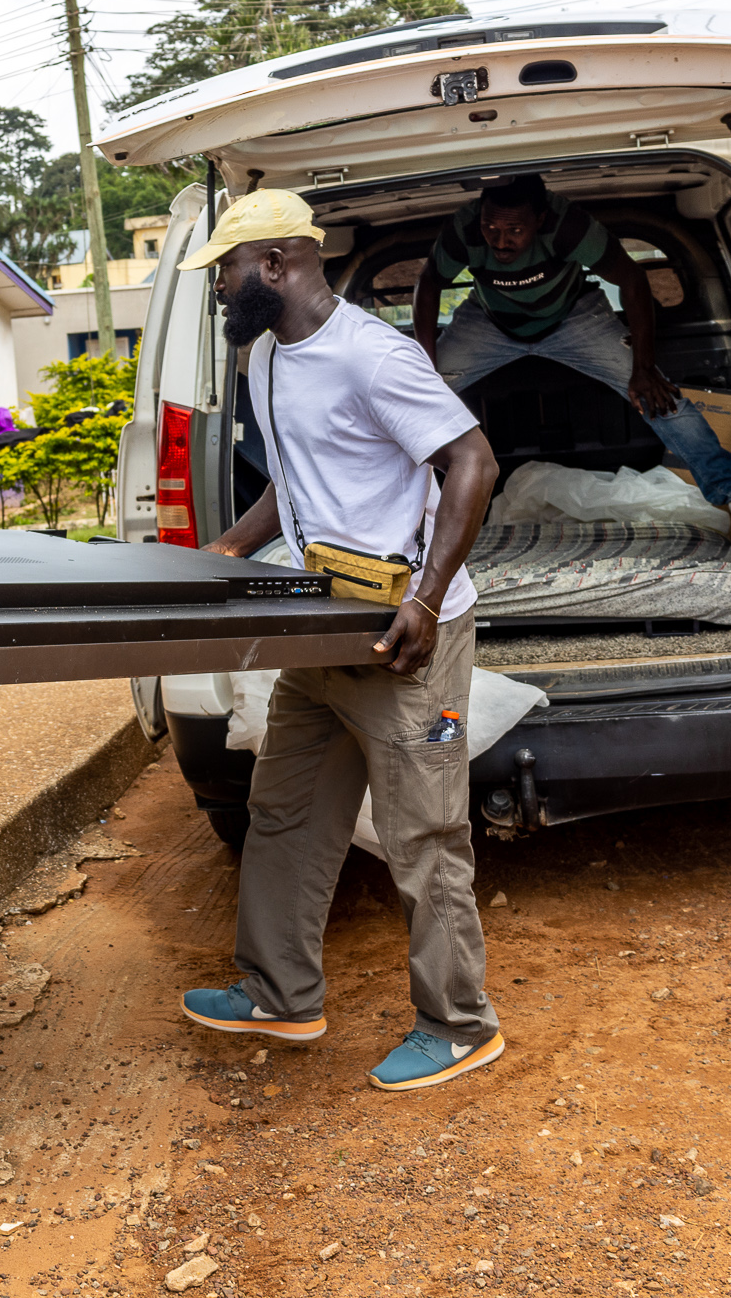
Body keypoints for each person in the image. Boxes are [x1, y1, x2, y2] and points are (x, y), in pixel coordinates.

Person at [177, 188, 506, 1093]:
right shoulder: (269, 360)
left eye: (227, 272)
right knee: (281, 811)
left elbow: (471, 461)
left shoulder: (372, 355)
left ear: (277, 265)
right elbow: (299, 473)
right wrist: (234, 548)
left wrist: (430, 599)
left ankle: (459, 1022)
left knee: (425, 832)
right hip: (326, 618)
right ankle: (280, 991)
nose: (220, 290)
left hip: (405, 632)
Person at [412, 172, 731, 544]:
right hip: (489, 321)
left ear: (540, 220)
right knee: (413, 398)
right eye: (491, 229)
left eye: (515, 231)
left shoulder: (569, 227)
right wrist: (426, 365)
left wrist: (643, 367)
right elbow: (429, 283)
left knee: (660, 398)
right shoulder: (462, 233)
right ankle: (398, 518)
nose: (500, 242)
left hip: (573, 317)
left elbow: (632, 279)